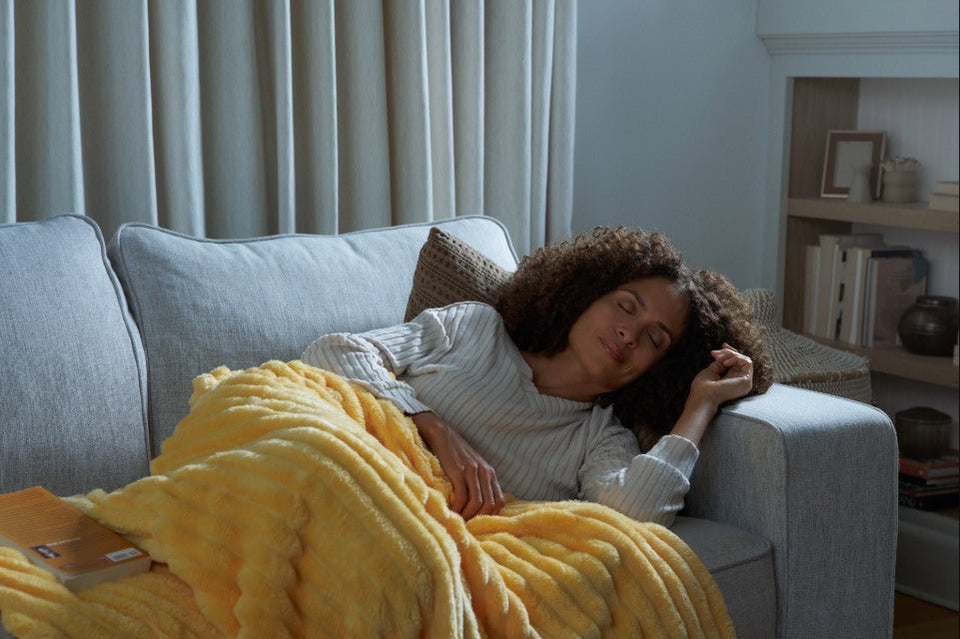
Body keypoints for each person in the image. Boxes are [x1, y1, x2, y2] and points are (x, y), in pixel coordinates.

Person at [301, 226, 772, 526]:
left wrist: (699, 405)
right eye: (626, 306)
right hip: (333, 469)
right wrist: (435, 427)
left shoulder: (600, 439)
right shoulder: (474, 328)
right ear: (587, 293)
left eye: (656, 339)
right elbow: (334, 352)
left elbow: (638, 514)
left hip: (393, 526)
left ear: (659, 368)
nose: (630, 333)